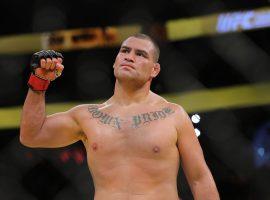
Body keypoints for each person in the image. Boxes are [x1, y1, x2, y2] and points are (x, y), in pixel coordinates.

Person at [20, 33, 220, 200]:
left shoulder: (173, 114)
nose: (129, 57)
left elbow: (199, 178)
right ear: (115, 61)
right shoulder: (88, 116)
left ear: (154, 69)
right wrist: (39, 82)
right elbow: (31, 135)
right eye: (124, 51)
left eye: (140, 54)